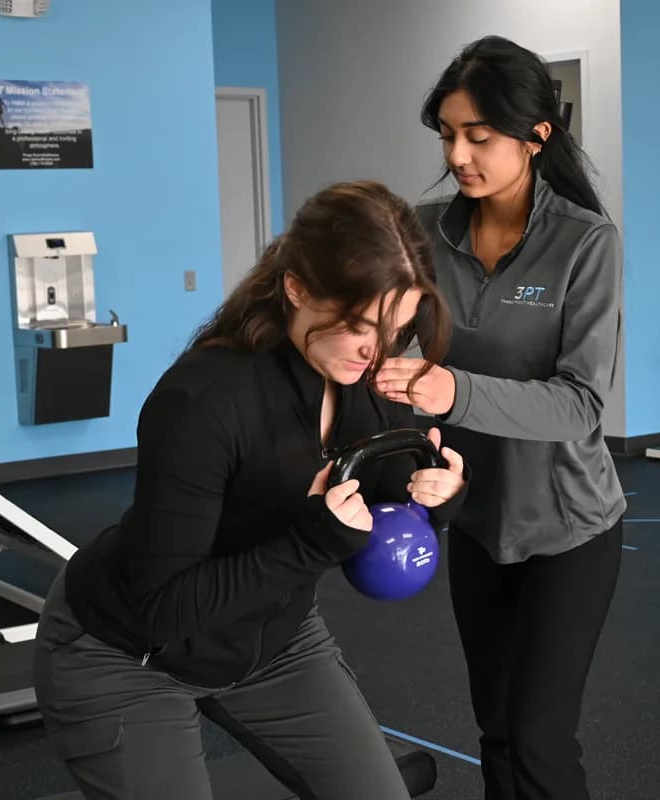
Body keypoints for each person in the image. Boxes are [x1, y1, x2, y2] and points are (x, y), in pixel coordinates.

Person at [33, 180, 468, 800]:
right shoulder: (205, 399)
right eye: (358, 324)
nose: (377, 351)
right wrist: (313, 541)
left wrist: (442, 493)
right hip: (128, 655)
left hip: (273, 639)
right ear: (296, 288)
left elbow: (398, 482)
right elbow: (164, 610)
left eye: (395, 329)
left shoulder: (367, 378)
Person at [374, 35, 626, 800]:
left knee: (540, 739)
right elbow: (375, 339)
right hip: (475, 518)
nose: (458, 154)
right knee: (496, 733)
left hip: (569, 526)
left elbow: (582, 403)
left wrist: (454, 390)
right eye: (448, 135)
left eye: (478, 137)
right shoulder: (422, 234)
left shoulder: (586, 242)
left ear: (536, 137)